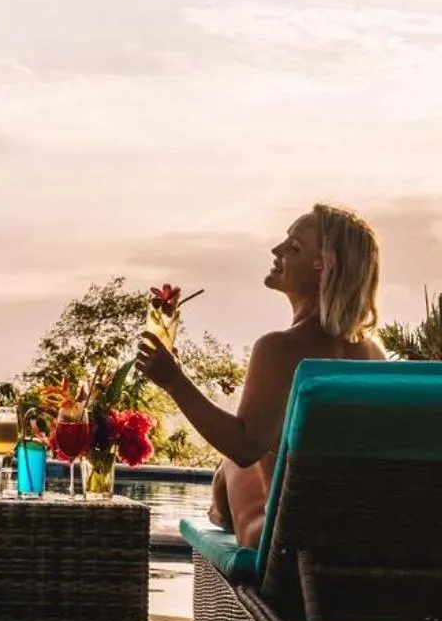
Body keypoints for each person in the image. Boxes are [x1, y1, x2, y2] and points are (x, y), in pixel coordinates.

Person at [137, 203, 385, 548]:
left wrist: (173, 380)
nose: (277, 251)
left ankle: (220, 510)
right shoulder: (373, 355)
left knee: (232, 464)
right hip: (357, 543)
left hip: (286, 546)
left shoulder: (280, 349)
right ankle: (222, 504)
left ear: (324, 267)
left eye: (294, 247)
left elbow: (243, 447)